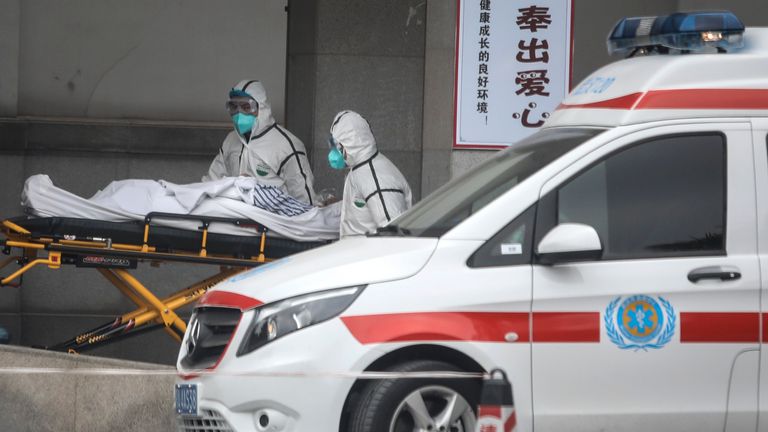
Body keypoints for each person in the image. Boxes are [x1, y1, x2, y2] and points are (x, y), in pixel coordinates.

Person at [203, 79, 318, 206]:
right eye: (234, 107)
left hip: (273, 221)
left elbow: (304, 201)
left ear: (261, 107)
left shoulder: (287, 145)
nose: (239, 113)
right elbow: (211, 182)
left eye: (246, 107)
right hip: (234, 220)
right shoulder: (231, 140)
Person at [328, 110, 412, 237]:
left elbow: (393, 233)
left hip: (367, 255)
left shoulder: (376, 178)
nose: (333, 153)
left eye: (337, 147)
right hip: (357, 253)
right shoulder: (362, 168)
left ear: (351, 145)